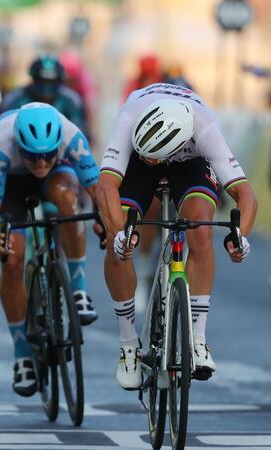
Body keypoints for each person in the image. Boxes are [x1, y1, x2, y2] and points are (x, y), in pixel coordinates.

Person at [96, 83, 256, 389]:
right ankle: (128, 345)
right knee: (121, 241)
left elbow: (245, 194)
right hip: (138, 162)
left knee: (199, 230)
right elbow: (105, 186)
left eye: (157, 159)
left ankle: (197, 340)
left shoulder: (205, 127)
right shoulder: (130, 115)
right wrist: (119, 234)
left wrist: (241, 236)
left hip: (189, 163)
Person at [0, 102, 100, 396]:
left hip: (60, 177)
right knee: (11, 260)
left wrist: (107, 223)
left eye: (47, 155)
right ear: (19, 143)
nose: (41, 163)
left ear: (58, 144)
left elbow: (100, 193)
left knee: (69, 202)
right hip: (13, 184)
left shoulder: (73, 137)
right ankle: (22, 354)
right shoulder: (0, 144)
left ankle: (79, 288)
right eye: (33, 157)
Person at [1, 55, 88, 137]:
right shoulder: (14, 99)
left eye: (52, 82)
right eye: (41, 81)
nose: (46, 90)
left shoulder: (71, 100)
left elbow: (79, 132)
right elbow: (3, 131)